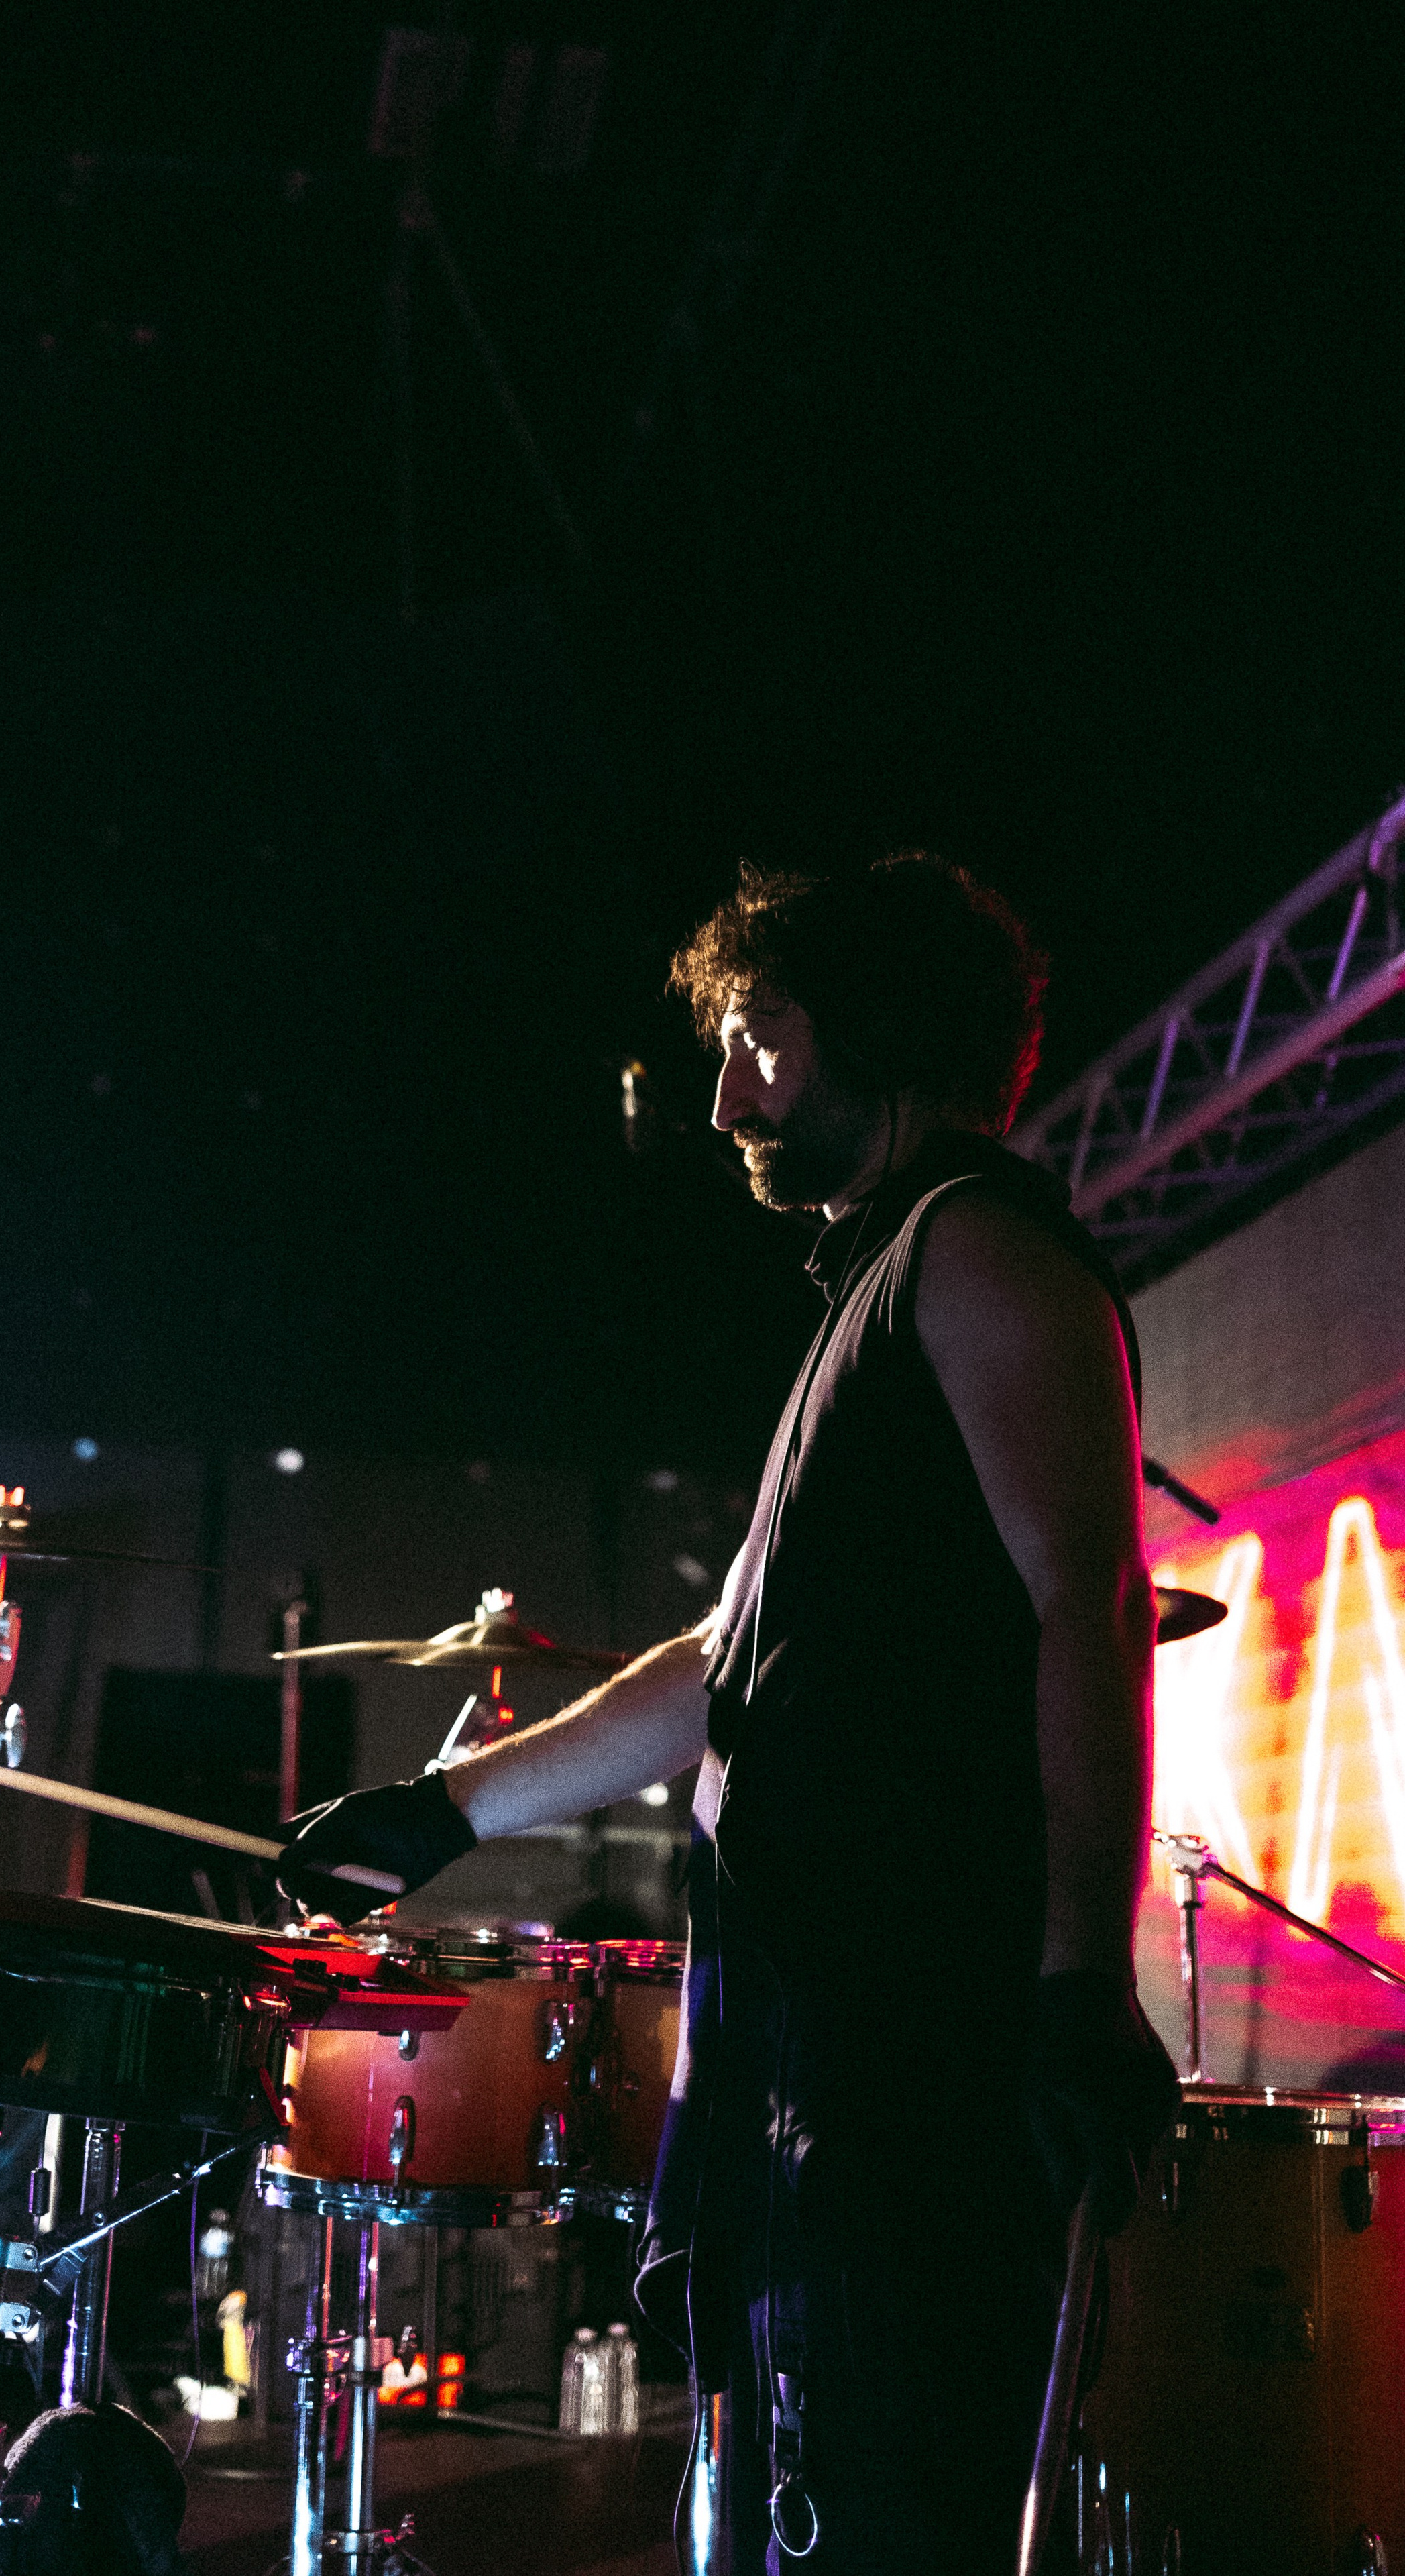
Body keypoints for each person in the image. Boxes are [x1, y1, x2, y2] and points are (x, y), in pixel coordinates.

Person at [277, 854, 1180, 2573]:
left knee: (887, 2503)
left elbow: (1092, 1604)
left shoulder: (980, 1256)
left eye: (759, 1039)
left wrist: (1077, 1974)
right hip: (810, 2023)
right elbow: (726, 1666)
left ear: (881, 1036)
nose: (722, 1093)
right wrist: (446, 1814)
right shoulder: (881, 1284)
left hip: (914, 2036)